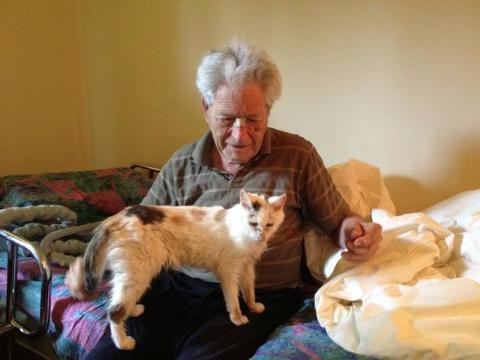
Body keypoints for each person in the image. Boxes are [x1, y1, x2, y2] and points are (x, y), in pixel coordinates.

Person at [85, 38, 381, 360]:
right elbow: (144, 227)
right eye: (227, 119)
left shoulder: (298, 156)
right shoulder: (182, 164)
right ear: (206, 108)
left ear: (268, 111)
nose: (240, 135)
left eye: (253, 120)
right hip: (179, 288)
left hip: (259, 292)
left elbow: (338, 221)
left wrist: (356, 232)